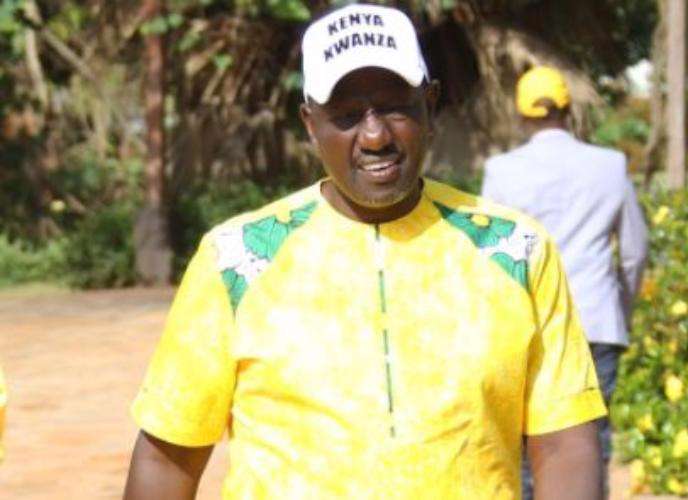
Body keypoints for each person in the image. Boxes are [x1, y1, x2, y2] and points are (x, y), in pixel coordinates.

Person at [123, 5, 606, 499]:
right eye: (347, 116)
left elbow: (564, 442)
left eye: (395, 107)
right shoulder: (237, 260)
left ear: (430, 105)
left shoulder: (515, 250)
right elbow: (167, 458)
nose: (375, 137)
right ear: (310, 124)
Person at [481, 65, 649, 499]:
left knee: (527, 449)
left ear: (522, 116)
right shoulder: (610, 165)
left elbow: (487, 261)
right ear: (568, 110)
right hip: (596, 323)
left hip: (528, 327)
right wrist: (620, 312)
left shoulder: (501, 172)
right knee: (592, 446)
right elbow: (634, 252)